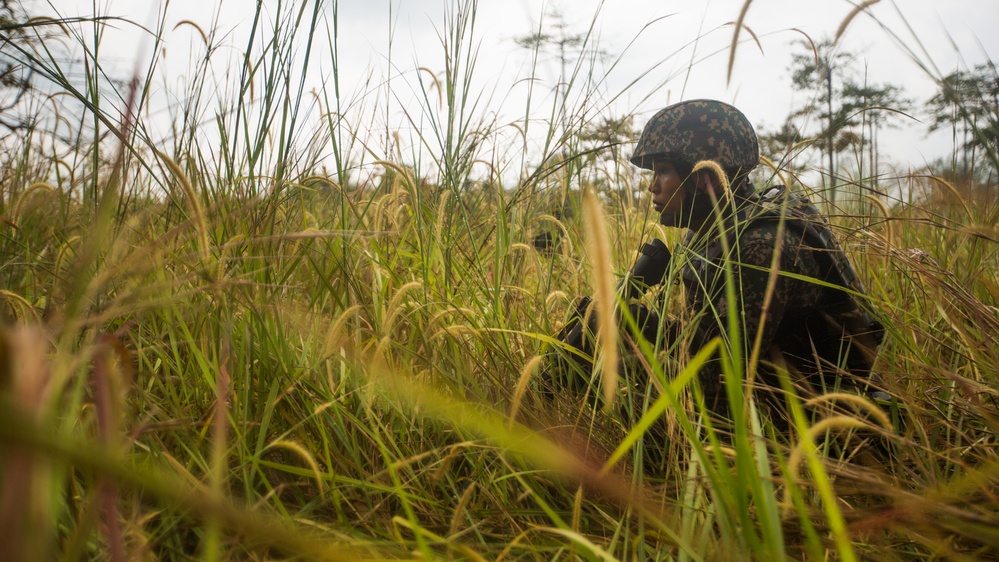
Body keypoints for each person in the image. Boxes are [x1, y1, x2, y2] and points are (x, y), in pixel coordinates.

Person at [551, 99, 884, 430]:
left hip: (821, 429)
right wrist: (638, 323)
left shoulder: (760, 245)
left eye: (663, 171)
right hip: (773, 400)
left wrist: (628, 357)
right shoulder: (713, 229)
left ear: (704, 178)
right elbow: (709, 338)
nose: (652, 185)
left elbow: (717, 382)